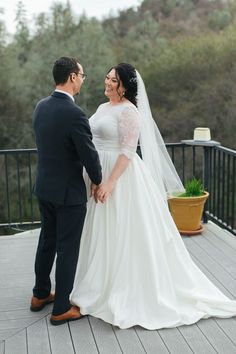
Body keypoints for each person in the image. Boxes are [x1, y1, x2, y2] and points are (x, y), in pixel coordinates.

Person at [70, 63, 236, 330]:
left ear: (125, 86)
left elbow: (127, 151)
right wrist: (94, 176)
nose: (108, 82)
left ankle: (122, 287)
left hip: (121, 178)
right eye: (107, 78)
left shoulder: (129, 111)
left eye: (114, 80)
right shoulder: (103, 108)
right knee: (101, 231)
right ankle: (96, 282)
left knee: (124, 231)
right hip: (97, 175)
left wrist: (110, 182)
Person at [31, 57, 102, 326]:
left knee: (47, 241)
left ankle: (39, 295)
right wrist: (97, 179)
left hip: (45, 188)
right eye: (82, 75)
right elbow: (88, 154)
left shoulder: (41, 106)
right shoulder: (75, 114)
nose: (83, 79)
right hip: (68, 193)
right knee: (67, 248)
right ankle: (60, 308)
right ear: (72, 77)